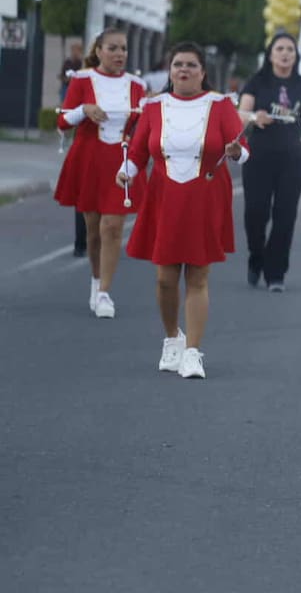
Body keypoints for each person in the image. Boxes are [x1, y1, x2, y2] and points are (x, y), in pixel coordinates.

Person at [117, 42, 250, 380]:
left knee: (198, 275)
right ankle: (172, 337)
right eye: (178, 64)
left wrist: (235, 152)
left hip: (205, 196)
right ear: (170, 70)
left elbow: (243, 151)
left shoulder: (219, 105)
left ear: (203, 73)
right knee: (165, 279)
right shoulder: (153, 106)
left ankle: (192, 351)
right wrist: (127, 173)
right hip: (164, 198)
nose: (184, 70)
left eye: (191, 65)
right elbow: (137, 153)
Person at [54, 28, 147, 319]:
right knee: (93, 230)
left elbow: (141, 125)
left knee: (112, 226)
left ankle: (105, 291)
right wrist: (85, 109)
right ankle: (96, 281)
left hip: (121, 160)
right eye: (113, 48)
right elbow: (63, 120)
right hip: (90, 158)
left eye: (123, 49)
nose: (120, 54)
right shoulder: (82, 80)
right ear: (99, 51)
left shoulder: (136, 84)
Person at [238, 33, 301, 291]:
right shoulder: (258, 81)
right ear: (270, 54)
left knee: (285, 214)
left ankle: (276, 273)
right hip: (259, 155)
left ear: (295, 55)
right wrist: (254, 117)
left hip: (293, 156)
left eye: (289, 49)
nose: (285, 54)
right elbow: (241, 113)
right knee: (256, 212)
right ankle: (256, 256)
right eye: (280, 49)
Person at [60, 42, 88, 258]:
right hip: (85, 148)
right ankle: (81, 242)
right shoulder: (81, 78)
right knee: (83, 197)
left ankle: (100, 240)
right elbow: (65, 119)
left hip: (112, 151)